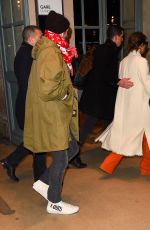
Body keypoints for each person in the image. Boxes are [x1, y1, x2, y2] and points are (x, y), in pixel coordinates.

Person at [23, 11, 79, 215]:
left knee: (72, 147)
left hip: (54, 112)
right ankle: (54, 201)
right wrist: (65, 94)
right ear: (62, 32)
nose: (67, 35)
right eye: (67, 32)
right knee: (62, 158)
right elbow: (48, 89)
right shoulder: (51, 52)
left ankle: (43, 182)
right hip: (53, 112)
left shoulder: (51, 48)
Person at [70, 25, 134, 167]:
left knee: (109, 122)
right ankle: (72, 155)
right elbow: (102, 73)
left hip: (98, 96)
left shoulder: (103, 48)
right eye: (122, 37)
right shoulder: (109, 51)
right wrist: (118, 81)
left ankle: (110, 148)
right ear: (116, 37)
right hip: (98, 98)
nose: (122, 40)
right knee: (87, 127)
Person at [96, 32, 150, 175]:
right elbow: (147, 84)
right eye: (145, 46)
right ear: (141, 45)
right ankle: (143, 168)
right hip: (140, 105)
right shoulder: (141, 62)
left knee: (138, 136)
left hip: (127, 104)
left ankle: (145, 168)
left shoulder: (124, 61)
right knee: (136, 137)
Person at [0, 26, 46, 182]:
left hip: (27, 103)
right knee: (38, 141)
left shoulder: (26, 52)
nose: (42, 40)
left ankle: (10, 162)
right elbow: (29, 86)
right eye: (40, 37)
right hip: (28, 105)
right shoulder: (26, 55)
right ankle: (40, 178)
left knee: (33, 140)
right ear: (31, 39)